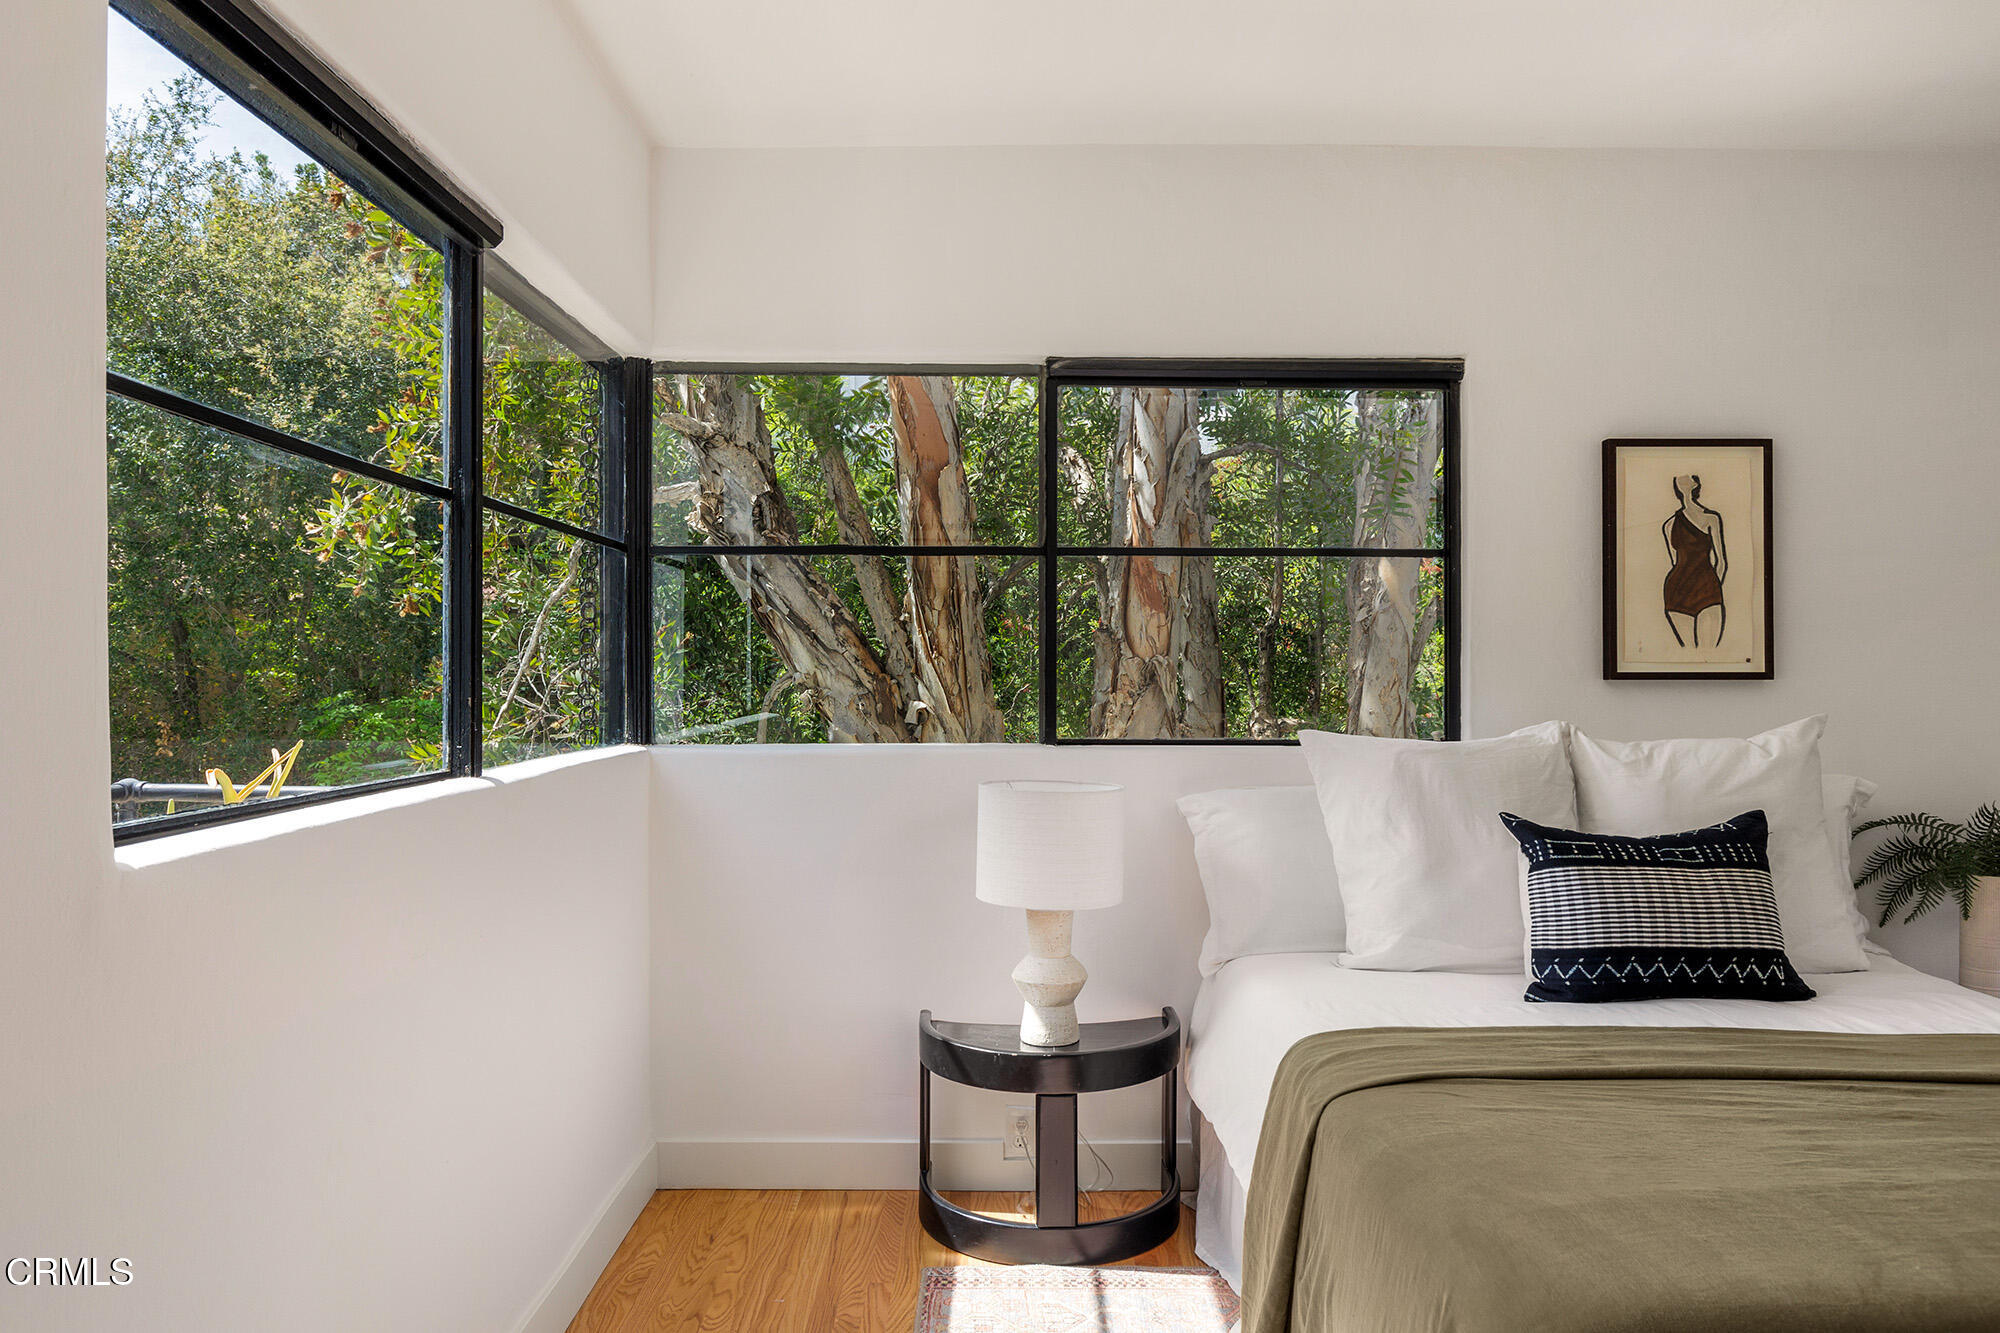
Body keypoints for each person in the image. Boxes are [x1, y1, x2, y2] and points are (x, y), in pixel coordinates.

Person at [1662, 473, 1726, 648]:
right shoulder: (1669, 524)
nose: (1682, 477)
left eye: (1689, 476)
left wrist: (1713, 586)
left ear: (1695, 484)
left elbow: (1721, 562)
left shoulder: (1711, 518)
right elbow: (1675, 562)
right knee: (1689, 652)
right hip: (1677, 591)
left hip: (1707, 590)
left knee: (1709, 652)